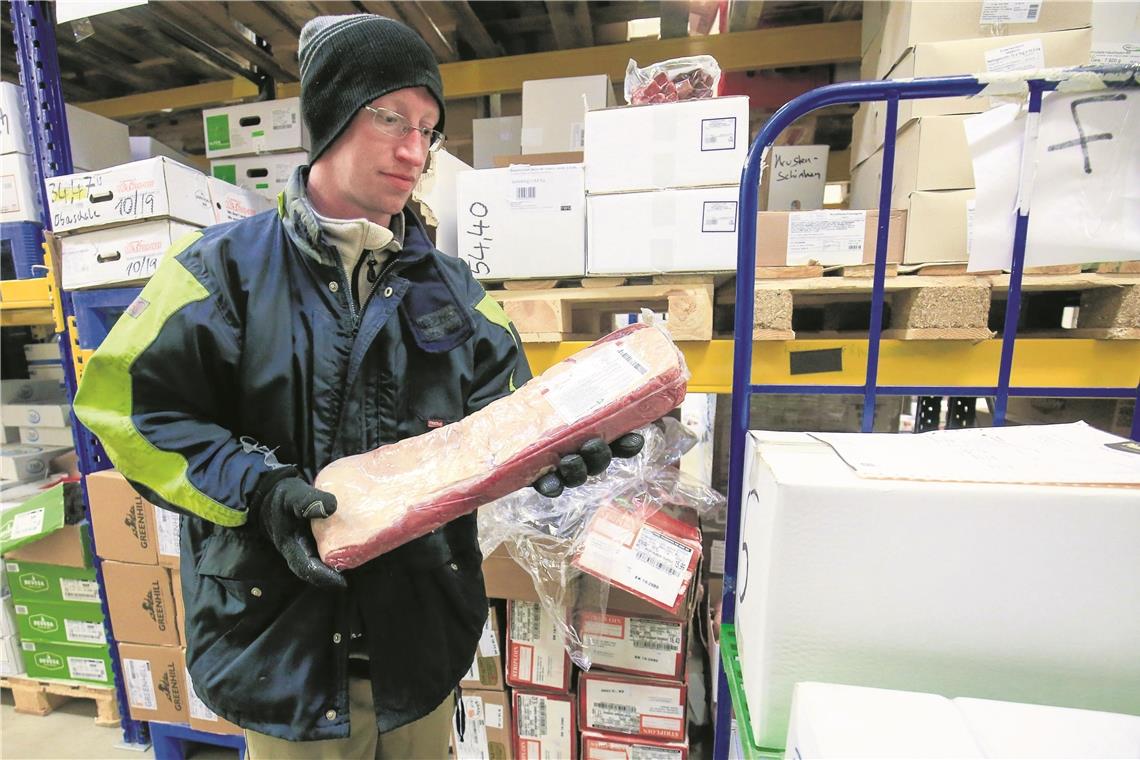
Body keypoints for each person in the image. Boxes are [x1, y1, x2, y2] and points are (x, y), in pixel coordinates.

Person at [73, 14, 643, 759]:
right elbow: (127, 410)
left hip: (421, 647)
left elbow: (507, 423)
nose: (415, 150)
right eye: (392, 118)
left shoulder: (457, 295)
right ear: (332, 114)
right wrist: (260, 490)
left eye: (429, 129)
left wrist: (557, 457)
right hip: (279, 649)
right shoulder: (220, 275)